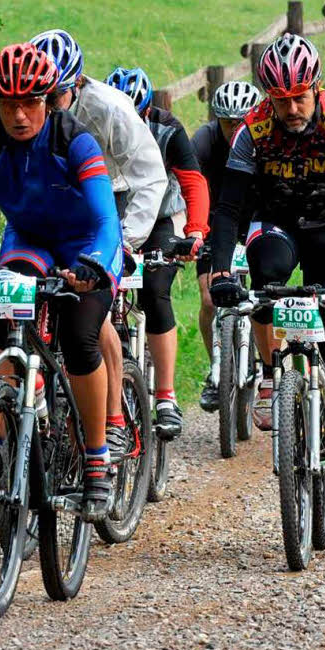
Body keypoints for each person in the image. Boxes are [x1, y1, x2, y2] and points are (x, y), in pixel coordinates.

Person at [0, 43, 124, 521]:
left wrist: (94, 265)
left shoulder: (74, 140)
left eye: (29, 103)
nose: (18, 115)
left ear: (49, 99)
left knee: (80, 341)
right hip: (30, 241)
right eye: (7, 105)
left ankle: (97, 460)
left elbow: (106, 221)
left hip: (86, 246)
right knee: (5, 325)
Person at [0, 29, 167, 462]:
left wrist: (124, 244)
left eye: (56, 96)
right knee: (11, 317)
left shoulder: (109, 108)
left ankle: (110, 420)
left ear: (76, 85)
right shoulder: (17, 112)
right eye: (41, 96)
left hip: (106, 203)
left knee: (91, 324)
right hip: (41, 212)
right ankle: (0, 441)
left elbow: (150, 176)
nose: (45, 105)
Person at [207, 33, 325, 524]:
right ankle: (272, 377)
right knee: (263, 280)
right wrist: (221, 270)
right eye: (280, 99)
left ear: (316, 88)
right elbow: (227, 210)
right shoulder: (253, 129)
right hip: (277, 221)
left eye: (299, 97)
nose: (290, 108)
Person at [105, 66, 210, 440]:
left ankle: (165, 395)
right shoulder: (99, 123)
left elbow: (193, 181)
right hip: (111, 221)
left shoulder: (168, 128)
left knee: (155, 291)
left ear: (147, 111)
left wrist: (195, 230)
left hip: (160, 223)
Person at [192, 80, 263, 411]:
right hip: (213, 221)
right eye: (228, 122)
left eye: (242, 121)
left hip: (253, 218)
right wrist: (193, 231)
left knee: (264, 295)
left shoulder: (263, 139)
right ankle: (216, 369)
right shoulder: (204, 142)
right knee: (209, 299)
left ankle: (267, 365)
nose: (235, 129)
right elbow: (190, 186)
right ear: (216, 119)